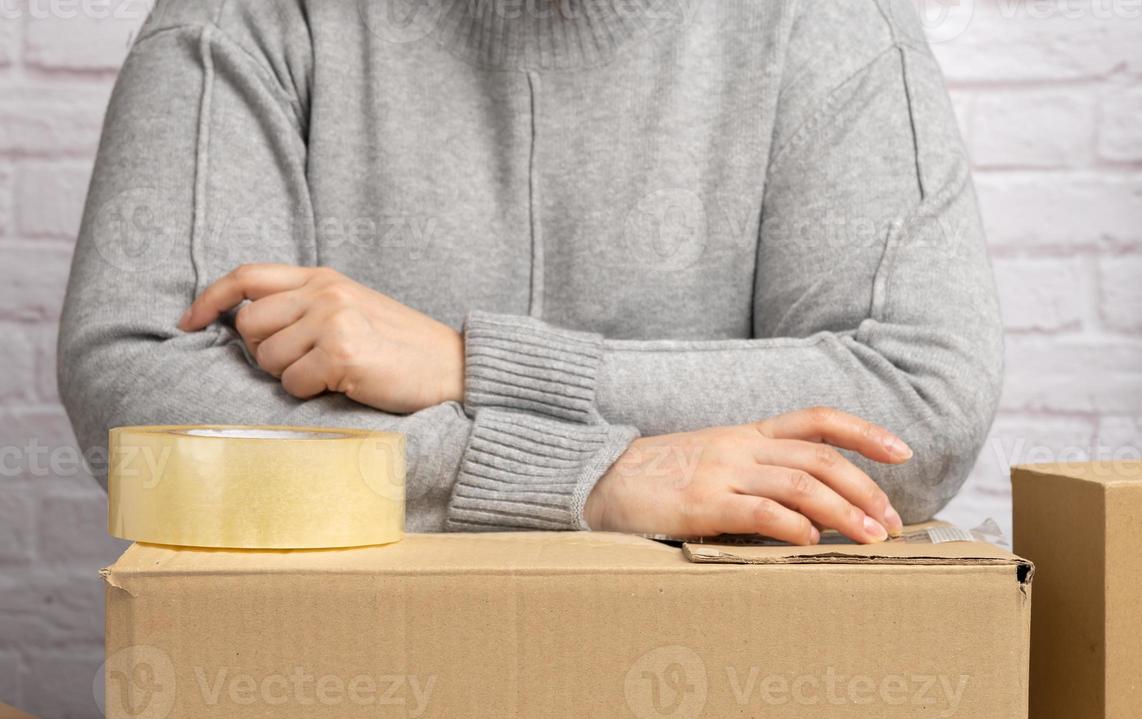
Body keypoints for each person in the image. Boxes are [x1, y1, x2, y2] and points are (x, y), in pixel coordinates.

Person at [58, 0, 1003, 544]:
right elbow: (142, 398)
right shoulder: (251, 15)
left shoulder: (825, 19)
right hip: (338, 709)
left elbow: (916, 406)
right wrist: (591, 479)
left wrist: (475, 364)